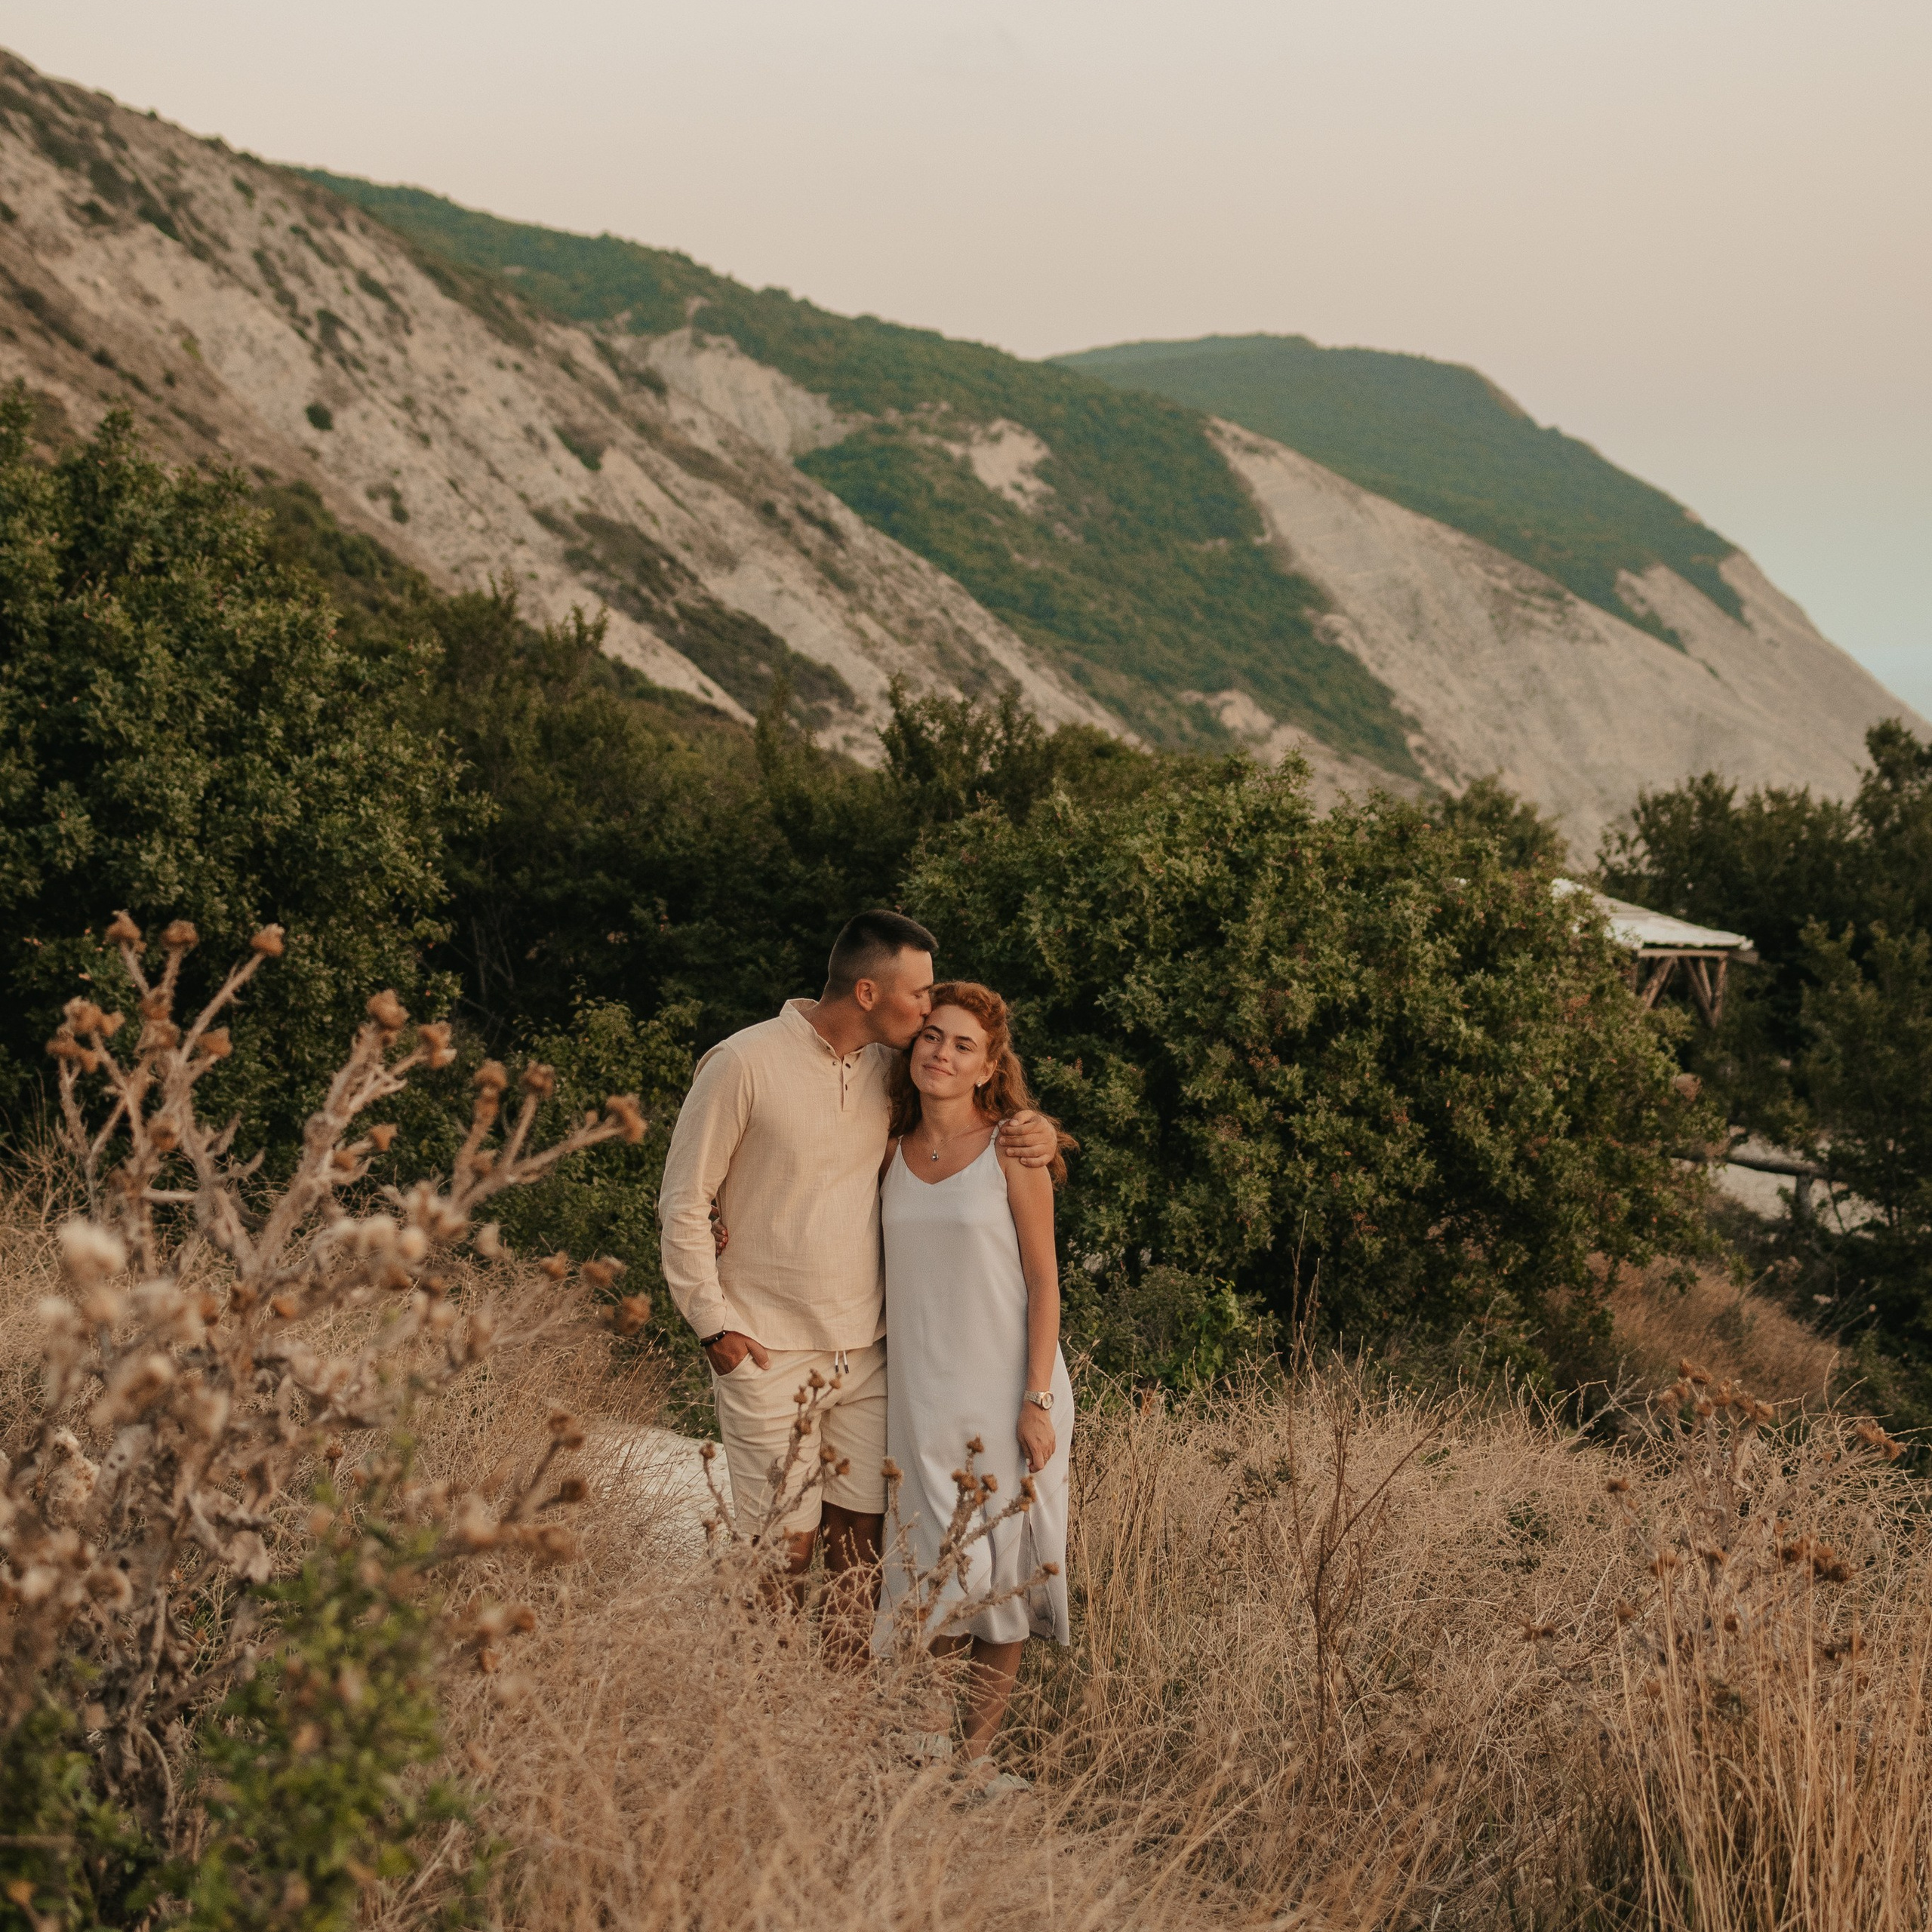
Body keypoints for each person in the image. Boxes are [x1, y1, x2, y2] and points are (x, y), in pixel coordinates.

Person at [657, 912, 1058, 1666]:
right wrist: (713, 1327)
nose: (928, 1012)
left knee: (861, 1556)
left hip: (867, 1354)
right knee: (782, 1552)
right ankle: (766, 1720)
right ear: (869, 990)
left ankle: (835, 1729)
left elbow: (965, 1120)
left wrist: (1035, 1126)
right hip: (764, 1348)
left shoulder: (886, 1067)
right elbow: (682, 1202)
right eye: (919, 996)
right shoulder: (743, 1062)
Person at [875, 981, 1074, 1791]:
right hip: (919, 1391)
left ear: (989, 1064)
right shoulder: (886, 1148)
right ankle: (924, 1751)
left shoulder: (1011, 1151)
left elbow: (1044, 1280)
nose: (940, 1052)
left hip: (1006, 1389)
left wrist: (1034, 1397)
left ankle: (976, 1761)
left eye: (961, 1044)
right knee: (932, 1569)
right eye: (930, 1036)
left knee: (1001, 1572)